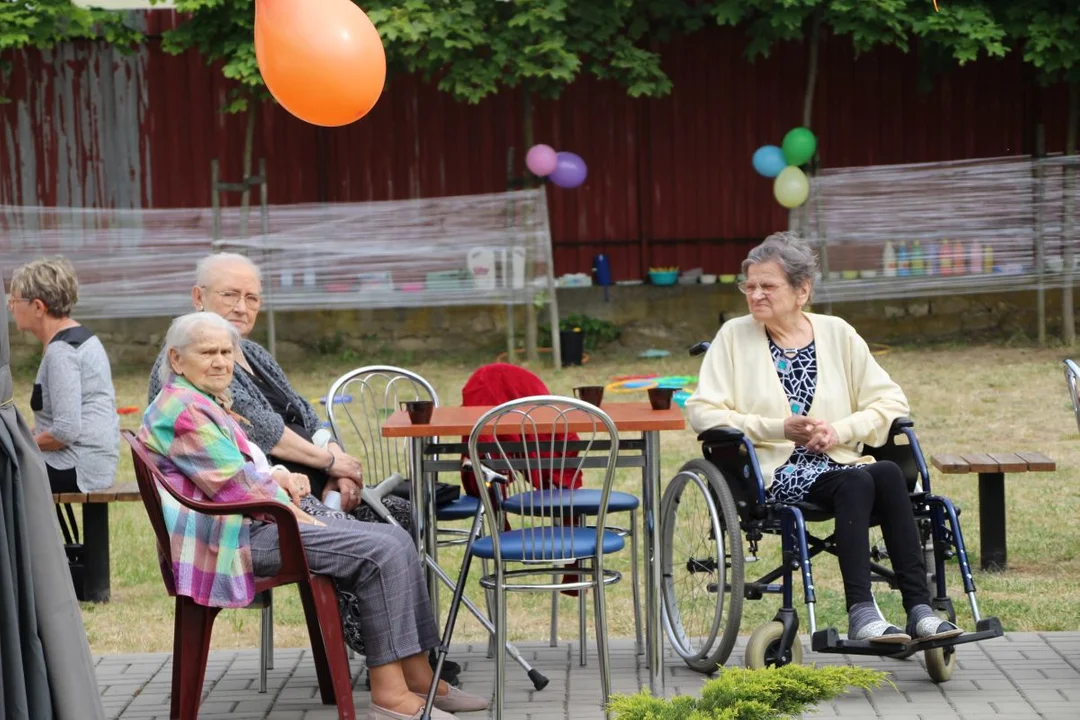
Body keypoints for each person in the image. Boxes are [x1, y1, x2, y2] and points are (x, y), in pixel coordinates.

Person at [139, 312, 487, 720]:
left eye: (225, 352)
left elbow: (240, 471)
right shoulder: (182, 411)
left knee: (396, 538)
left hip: (253, 524)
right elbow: (239, 490)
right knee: (380, 550)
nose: (220, 361)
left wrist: (280, 475)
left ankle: (420, 679)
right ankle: (391, 697)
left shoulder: (197, 400)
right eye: (207, 352)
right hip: (236, 540)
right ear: (177, 360)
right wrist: (304, 516)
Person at [685, 232, 963, 644]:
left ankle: (919, 610)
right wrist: (779, 427)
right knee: (860, 478)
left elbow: (891, 400)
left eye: (768, 286)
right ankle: (862, 612)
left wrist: (840, 430)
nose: (756, 294)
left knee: (885, 472)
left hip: (841, 459)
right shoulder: (732, 337)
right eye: (750, 285)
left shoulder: (837, 333)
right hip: (774, 470)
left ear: (802, 290)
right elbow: (701, 411)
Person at [146, 252, 411, 529]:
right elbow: (261, 429)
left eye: (252, 298)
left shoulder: (253, 352)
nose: (241, 307)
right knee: (379, 538)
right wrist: (330, 462)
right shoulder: (191, 362)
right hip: (270, 500)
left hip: (314, 482)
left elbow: (306, 413)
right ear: (199, 297)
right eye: (230, 295)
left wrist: (340, 466)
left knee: (404, 514)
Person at [8, 257, 118, 493]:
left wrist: (20, 444)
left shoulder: (62, 352)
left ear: (38, 307)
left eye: (14, 300)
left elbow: (65, 432)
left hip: (77, 467)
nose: (10, 307)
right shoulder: (78, 338)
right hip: (91, 463)